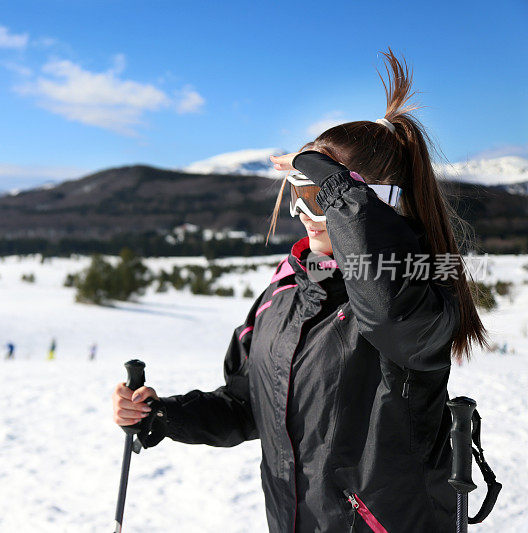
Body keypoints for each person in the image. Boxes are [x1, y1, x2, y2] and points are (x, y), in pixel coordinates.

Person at [111, 50, 488, 532]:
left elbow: (387, 313)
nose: (304, 213)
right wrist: (163, 415)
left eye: (320, 196)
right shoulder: (286, 290)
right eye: (297, 192)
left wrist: (340, 192)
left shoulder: (420, 287)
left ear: (374, 203)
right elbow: (246, 405)